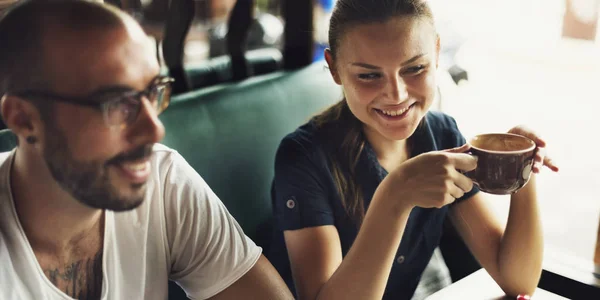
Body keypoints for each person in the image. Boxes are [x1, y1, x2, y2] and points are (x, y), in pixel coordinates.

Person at [267, 0, 560, 299]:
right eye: (369, 75)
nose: (396, 94)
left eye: (415, 68)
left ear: (435, 54)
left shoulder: (442, 134)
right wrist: (395, 196)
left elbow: (518, 281)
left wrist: (522, 168)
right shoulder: (302, 158)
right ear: (334, 69)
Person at [0, 1, 293, 299]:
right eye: (117, 103)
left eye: (153, 92)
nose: (155, 130)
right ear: (24, 119)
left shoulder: (163, 181)